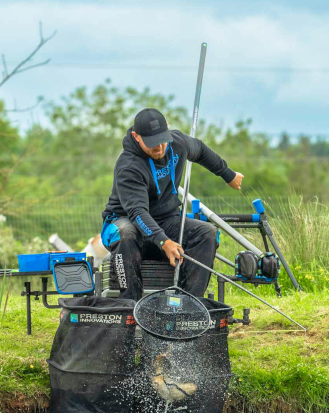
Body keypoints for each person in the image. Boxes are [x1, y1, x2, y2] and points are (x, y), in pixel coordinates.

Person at [101, 108, 243, 300]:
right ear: (136, 136)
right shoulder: (128, 166)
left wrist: (228, 174)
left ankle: (189, 303)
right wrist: (163, 241)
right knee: (126, 232)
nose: (159, 148)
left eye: (162, 140)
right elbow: (137, 212)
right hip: (126, 222)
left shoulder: (178, 143)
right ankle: (130, 305)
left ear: (167, 129)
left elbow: (200, 150)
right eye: (152, 143)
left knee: (207, 233)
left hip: (167, 221)